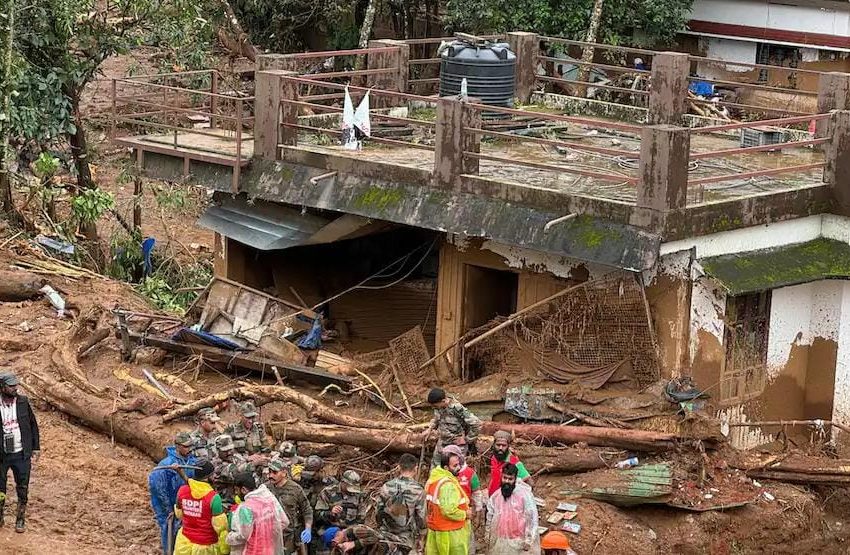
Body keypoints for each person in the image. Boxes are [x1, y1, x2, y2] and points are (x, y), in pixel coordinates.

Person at [0, 371, 40, 533]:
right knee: (0, 488)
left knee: (22, 488)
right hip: (2, 455)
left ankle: (20, 519)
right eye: (10, 386)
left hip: (22, 454)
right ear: (2, 387)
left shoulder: (23, 402)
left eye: (15, 385)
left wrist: (36, 447)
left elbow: (33, 425)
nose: (14, 388)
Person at [149, 431, 197, 554]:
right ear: (177, 446)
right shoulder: (166, 465)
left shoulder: (191, 461)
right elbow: (158, 487)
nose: (189, 449)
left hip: (185, 504)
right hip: (168, 505)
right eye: (186, 446)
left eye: (190, 446)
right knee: (169, 532)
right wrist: (168, 508)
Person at [227, 471, 289, 555]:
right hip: (270, 549)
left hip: (253, 551)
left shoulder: (246, 508)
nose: (236, 493)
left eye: (237, 490)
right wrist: (266, 533)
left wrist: (230, 538)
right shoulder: (269, 498)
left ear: (244, 490)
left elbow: (244, 535)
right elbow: (284, 521)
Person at [173, 460, 228, 555]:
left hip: (184, 544)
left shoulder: (182, 491)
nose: (215, 477)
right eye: (213, 474)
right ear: (208, 477)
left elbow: (179, 514)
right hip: (206, 547)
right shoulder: (214, 498)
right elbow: (220, 528)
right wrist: (224, 549)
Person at [375, 453, 426, 554]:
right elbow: (421, 518)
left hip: (386, 533)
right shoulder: (418, 490)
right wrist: (421, 537)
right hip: (406, 536)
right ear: (416, 469)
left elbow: (378, 510)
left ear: (399, 467)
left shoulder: (387, 486)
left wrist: (380, 527)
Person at [485, 463, 540, 555]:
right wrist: (488, 535)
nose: (507, 481)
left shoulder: (524, 495)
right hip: (501, 540)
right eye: (504, 478)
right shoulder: (496, 496)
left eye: (510, 479)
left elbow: (532, 518)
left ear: (515, 479)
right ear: (501, 477)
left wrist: (529, 540)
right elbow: (490, 517)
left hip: (519, 542)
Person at [424, 451, 470, 555]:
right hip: (451, 534)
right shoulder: (448, 485)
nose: (459, 467)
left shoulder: (434, 479)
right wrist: (465, 514)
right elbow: (448, 510)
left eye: (459, 464)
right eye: (455, 465)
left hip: (435, 531)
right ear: (446, 468)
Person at [440, 445, 484, 553]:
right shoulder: (441, 474)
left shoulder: (470, 473)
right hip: (446, 519)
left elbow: (477, 494)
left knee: (467, 546)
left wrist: (477, 514)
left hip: (464, 517)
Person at [266, 458, 314, 553]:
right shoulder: (265, 488)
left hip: (289, 537)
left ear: (284, 473)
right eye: (269, 472)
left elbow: (307, 510)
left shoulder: (295, 489)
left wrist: (308, 528)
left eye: (275, 472)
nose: (270, 475)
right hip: (270, 534)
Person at [426, 388, 481, 467]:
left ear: (443, 401)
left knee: (456, 470)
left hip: (457, 445)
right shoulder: (438, 407)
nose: (433, 408)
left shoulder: (457, 409)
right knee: (435, 469)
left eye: (435, 405)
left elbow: (476, 423)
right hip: (442, 442)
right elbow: (436, 418)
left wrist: (467, 439)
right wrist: (430, 428)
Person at [211, 434, 254, 509]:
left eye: (230, 449)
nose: (229, 453)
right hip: (225, 503)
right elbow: (235, 474)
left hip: (242, 498)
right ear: (218, 450)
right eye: (225, 451)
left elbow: (243, 463)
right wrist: (253, 464)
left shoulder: (235, 456)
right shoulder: (216, 464)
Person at [488, 431, 530, 496]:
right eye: (498, 445)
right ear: (493, 444)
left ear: (508, 446)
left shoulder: (514, 462)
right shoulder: (494, 458)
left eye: (504, 445)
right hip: (493, 499)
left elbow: (528, 480)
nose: (500, 448)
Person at [321, 525, 392, 554]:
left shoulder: (354, 531)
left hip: (387, 550)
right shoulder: (339, 547)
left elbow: (376, 537)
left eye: (333, 543)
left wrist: (354, 544)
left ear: (336, 536)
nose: (334, 545)